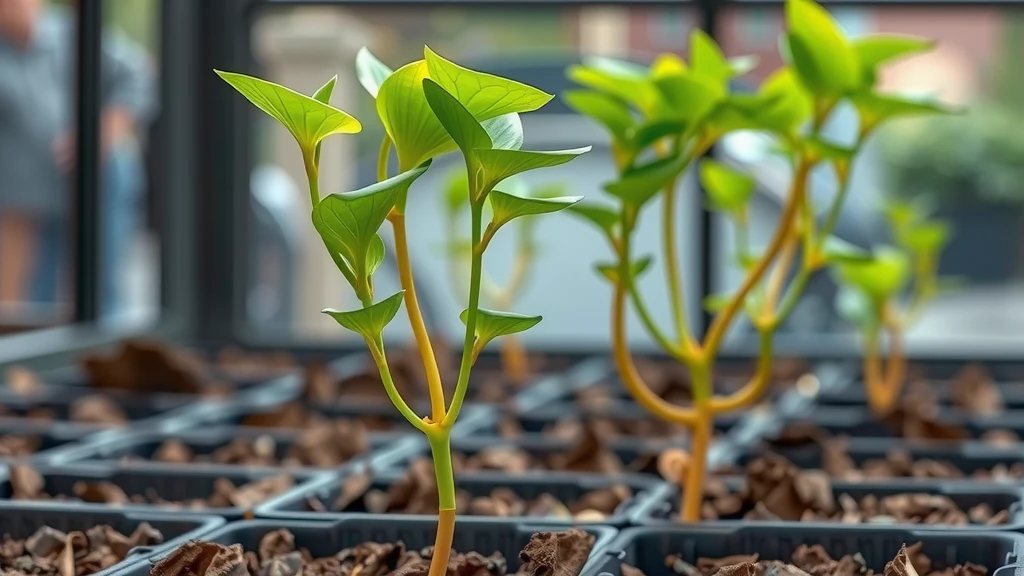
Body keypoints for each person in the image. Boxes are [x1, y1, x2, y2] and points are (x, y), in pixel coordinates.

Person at [0, 0, 155, 320]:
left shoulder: (73, 34)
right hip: (37, 195)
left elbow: (140, 76)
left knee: (100, 287)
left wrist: (99, 133)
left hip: (100, 178)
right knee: (39, 295)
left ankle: (110, 358)